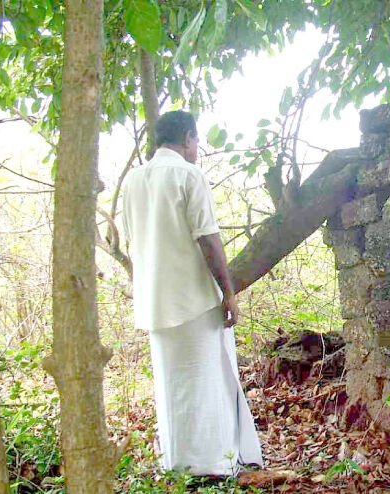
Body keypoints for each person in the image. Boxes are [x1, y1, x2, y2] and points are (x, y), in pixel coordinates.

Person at [121, 110, 263, 476]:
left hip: (155, 300)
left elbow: (135, 238)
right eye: (197, 141)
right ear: (187, 138)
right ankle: (214, 464)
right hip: (193, 300)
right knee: (208, 380)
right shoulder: (187, 174)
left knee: (172, 386)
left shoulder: (134, 181)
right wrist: (228, 292)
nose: (198, 148)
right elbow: (208, 239)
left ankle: (179, 462)